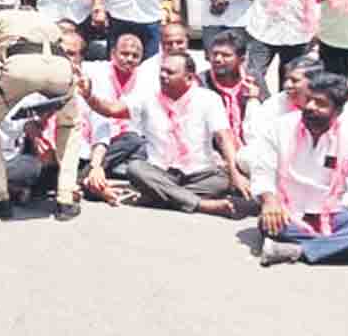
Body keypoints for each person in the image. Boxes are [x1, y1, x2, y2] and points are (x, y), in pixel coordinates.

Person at [249, 72, 348, 267]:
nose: (311, 107)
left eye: (320, 103)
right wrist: (269, 202)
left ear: (337, 111)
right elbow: (262, 170)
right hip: (288, 213)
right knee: (269, 224)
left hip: (333, 214)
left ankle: (294, 251)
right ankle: (345, 250)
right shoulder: (281, 127)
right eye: (309, 100)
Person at [81, 53, 245, 216]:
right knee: (136, 169)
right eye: (161, 71)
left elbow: (223, 137)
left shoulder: (208, 99)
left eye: (170, 72)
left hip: (200, 175)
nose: (162, 76)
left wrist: (235, 173)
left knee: (224, 181)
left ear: (189, 77)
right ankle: (201, 204)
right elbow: (112, 109)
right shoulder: (147, 96)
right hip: (161, 172)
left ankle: (159, 196)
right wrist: (89, 96)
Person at [0, 9, 82, 221]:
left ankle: (0, 198)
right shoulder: (45, 18)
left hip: (22, 65)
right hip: (60, 66)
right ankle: (66, 199)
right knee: (70, 125)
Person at [82, 33, 149, 198]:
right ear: (113, 54)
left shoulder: (145, 77)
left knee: (142, 144)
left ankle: (105, 175)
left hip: (128, 140)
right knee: (132, 139)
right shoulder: (97, 69)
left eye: (135, 56)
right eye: (124, 54)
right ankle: (88, 176)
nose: (129, 59)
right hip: (100, 134)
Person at [197, 30, 262, 150]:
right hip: (216, 153)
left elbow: (267, 119)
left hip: (250, 150)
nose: (217, 59)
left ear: (241, 60)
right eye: (214, 54)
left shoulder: (252, 79)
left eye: (225, 55)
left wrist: (254, 99)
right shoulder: (201, 82)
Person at [134, 21, 209, 96]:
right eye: (169, 43)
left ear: (187, 40)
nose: (174, 47)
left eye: (179, 42)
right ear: (161, 43)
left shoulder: (203, 63)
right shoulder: (147, 68)